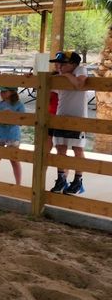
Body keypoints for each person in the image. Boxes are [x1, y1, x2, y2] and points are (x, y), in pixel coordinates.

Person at [49, 50, 89, 195]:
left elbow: (80, 84)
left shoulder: (80, 69)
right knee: (60, 147)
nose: (58, 66)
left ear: (73, 64)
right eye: (57, 64)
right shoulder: (61, 75)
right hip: (61, 116)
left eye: (62, 63)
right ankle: (61, 178)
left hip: (77, 117)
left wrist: (66, 75)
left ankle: (78, 181)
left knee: (77, 149)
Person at [0, 87, 26, 185]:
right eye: (1, 91)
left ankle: (18, 183)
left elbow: (22, 122)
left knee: (14, 159)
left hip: (12, 135)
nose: (1, 93)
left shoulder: (19, 105)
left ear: (12, 92)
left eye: (4, 91)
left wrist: (12, 115)